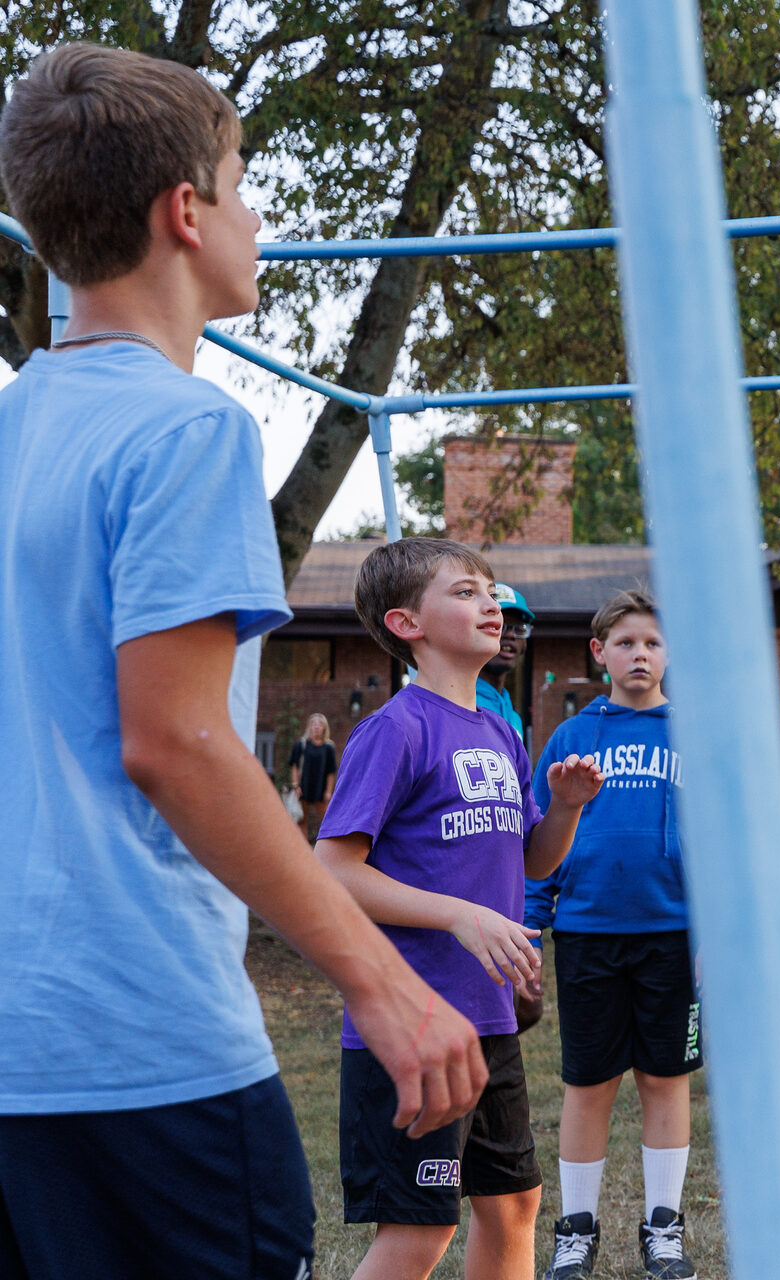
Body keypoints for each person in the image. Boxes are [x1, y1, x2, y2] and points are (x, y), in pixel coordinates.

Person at [0, 44, 484, 1279]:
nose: (257, 214)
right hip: (144, 1049)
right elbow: (174, 739)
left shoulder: (12, 427)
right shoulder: (188, 428)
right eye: (242, 179)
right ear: (184, 213)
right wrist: (381, 978)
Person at [318, 537, 603, 1280]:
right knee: (418, 1231)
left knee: (513, 1206)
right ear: (407, 623)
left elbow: (531, 858)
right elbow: (334, 872)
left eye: (492, 592)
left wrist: (566, 810)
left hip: (490, 1021)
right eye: (467, 592)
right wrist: (456, 914)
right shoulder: (394, 731)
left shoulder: (502, 732)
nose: (492, 605)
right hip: (411, 1022)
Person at [525, 591, 699, 1280]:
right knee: (589, 1084)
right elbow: (541, 839)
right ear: (599, 652)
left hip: (673, 934)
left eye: (653, 644)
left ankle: (663, 1228)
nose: (641, 655)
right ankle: (577, 1229)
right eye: (626, 643)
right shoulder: (572, 739)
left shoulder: (692, 735)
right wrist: (533, 923)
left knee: (665, 1079)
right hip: (589, 932)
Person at [481, 582, 534, 739]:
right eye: (500, 625)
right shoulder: (461, 706)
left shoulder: (514, 717)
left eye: (519, 628)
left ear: (524, 645)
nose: (510, 635)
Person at [289, 712, 341, 843]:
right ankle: (303, 848)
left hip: (320, 787)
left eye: (320, 724)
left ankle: (326, 846)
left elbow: (331, 771)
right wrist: (295, 785)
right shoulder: (301, 745)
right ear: (309, 727)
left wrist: (329, 791)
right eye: (314, 724)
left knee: (326, 820)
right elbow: (295, 765)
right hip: (303, 786)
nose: (317, 726)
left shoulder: (328, 747)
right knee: (302, 819)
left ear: (324, 727)